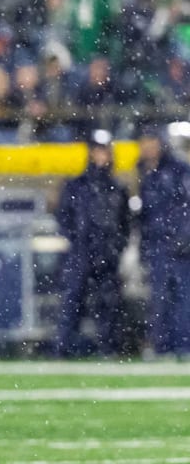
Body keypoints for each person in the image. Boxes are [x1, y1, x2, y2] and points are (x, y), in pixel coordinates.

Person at [53, 130, 131, 357]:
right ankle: (65, 348)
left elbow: (124, 223)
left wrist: (115, 246)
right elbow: (64, 217)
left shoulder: (117, 187)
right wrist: (78, 240)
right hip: (81, 252)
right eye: (97, 151)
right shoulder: (76, 185)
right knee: (72, 301)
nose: (100, 156)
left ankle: (108, 347)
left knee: (107, 304)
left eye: (104, 151)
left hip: (107, 252)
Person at [136, 126, 190, 359]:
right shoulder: (144, 172)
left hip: (179, 247)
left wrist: (184, 237)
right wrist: (145, 245)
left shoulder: (179, 171)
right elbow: (145, 216)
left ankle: (183, 345)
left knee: (182, 298)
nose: (148, 147)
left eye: (152, 142)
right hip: (157, 246)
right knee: (159, 299)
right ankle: (162, 346)